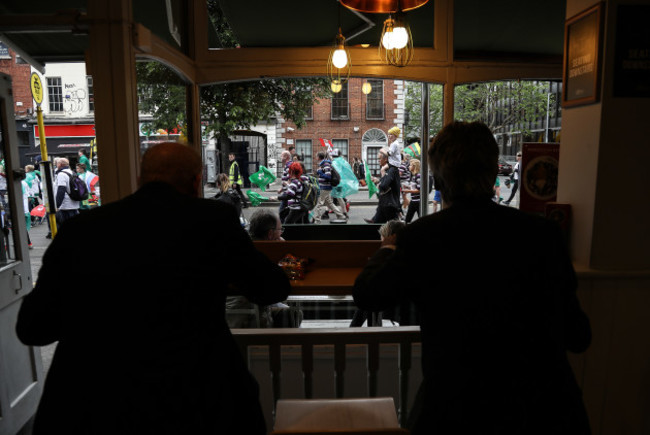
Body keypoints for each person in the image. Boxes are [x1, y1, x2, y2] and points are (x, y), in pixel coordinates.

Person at [16, 142, 291, 434]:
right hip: (195, 398)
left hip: (90, 404)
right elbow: (271, 289)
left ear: (140, 180)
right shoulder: (215, 221)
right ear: (197, 181)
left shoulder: (80, 229)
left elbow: (33, 327)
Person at [353, 121, 591, 434]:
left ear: (439, 178)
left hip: (458, 411)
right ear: (494, 173)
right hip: (545, 413)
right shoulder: (543, 235)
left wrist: (387, 248)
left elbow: (368, 294)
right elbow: (578, 336)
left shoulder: (422, 237)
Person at [350, 219, 406, 327]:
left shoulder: (387, 257)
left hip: (386, 301)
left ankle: (353, 328)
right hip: (402, 309)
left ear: (390, 238)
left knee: (367, 299)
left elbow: (361, 290)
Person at [364, 147, 401, 224]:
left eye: (379, 159)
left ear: (386, 159)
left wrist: (382, 171)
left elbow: (384, 185)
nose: (378, 161)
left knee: (394, 228)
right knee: (377, 223)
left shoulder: (391, 170)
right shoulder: (389, 169)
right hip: (384, 203)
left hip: (389, 204)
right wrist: (377, 180)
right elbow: (385, 182)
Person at [313, 151, 346, 224]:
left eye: (316, 156)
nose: (315, 158)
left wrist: (320, 173)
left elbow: (328, 176)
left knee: (319, 203)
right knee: (329, 203)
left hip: (324, 187)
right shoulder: (323, 164)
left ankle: (317, 220)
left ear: (318, 157)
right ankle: (341, 215)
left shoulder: (326, 164)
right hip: (324, 187)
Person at [53, 157, 80, 227]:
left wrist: (57, 205)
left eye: (57, 164)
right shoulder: (73, 172)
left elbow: (61, 190)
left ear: (60, 164)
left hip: (65, 206)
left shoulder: (61, 174)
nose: (56, 165)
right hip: (74, 203)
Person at [403, 159, 421, 223]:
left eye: (410, 165)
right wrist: (407, 187)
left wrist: (408, 191)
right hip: (413, 201)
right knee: (407, 219)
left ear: (414, 166)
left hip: (418, 202)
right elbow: (414, 187)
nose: (409, 167)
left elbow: (419, 190)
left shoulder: (418, 176)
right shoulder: (413, 176)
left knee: (421, 219)